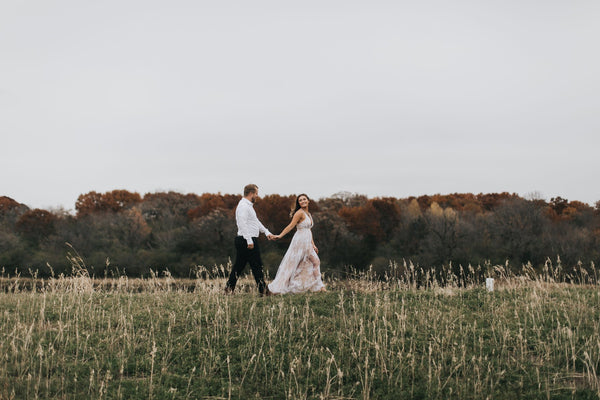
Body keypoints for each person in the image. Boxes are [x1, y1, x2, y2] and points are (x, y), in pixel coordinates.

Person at [268, 194, 326, 294]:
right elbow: (290, 226)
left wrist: (313, 244)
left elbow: (309, 230)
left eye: (304, 199)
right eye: (300, 200)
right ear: (298, 203)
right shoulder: (299, 213)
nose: (303, 201)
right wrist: (280, 235)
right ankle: (279, 287)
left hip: (307, 242)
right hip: (299, 242)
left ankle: (319, 286)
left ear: (308, 201)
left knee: (316, 261)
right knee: (292, 265)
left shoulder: (308, 214)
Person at [225, 184, 275, 295]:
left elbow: (255, 222)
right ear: (251, 193)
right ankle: (264, 291)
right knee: (257, 265)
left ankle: (228, 289)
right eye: (256, 193)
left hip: (246, 239)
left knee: (239, 266)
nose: (257, 196)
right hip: (246, 240)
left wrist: (267, 232)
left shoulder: (248, 206)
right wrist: (249, 240)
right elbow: (242, 224)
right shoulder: (243, 206)